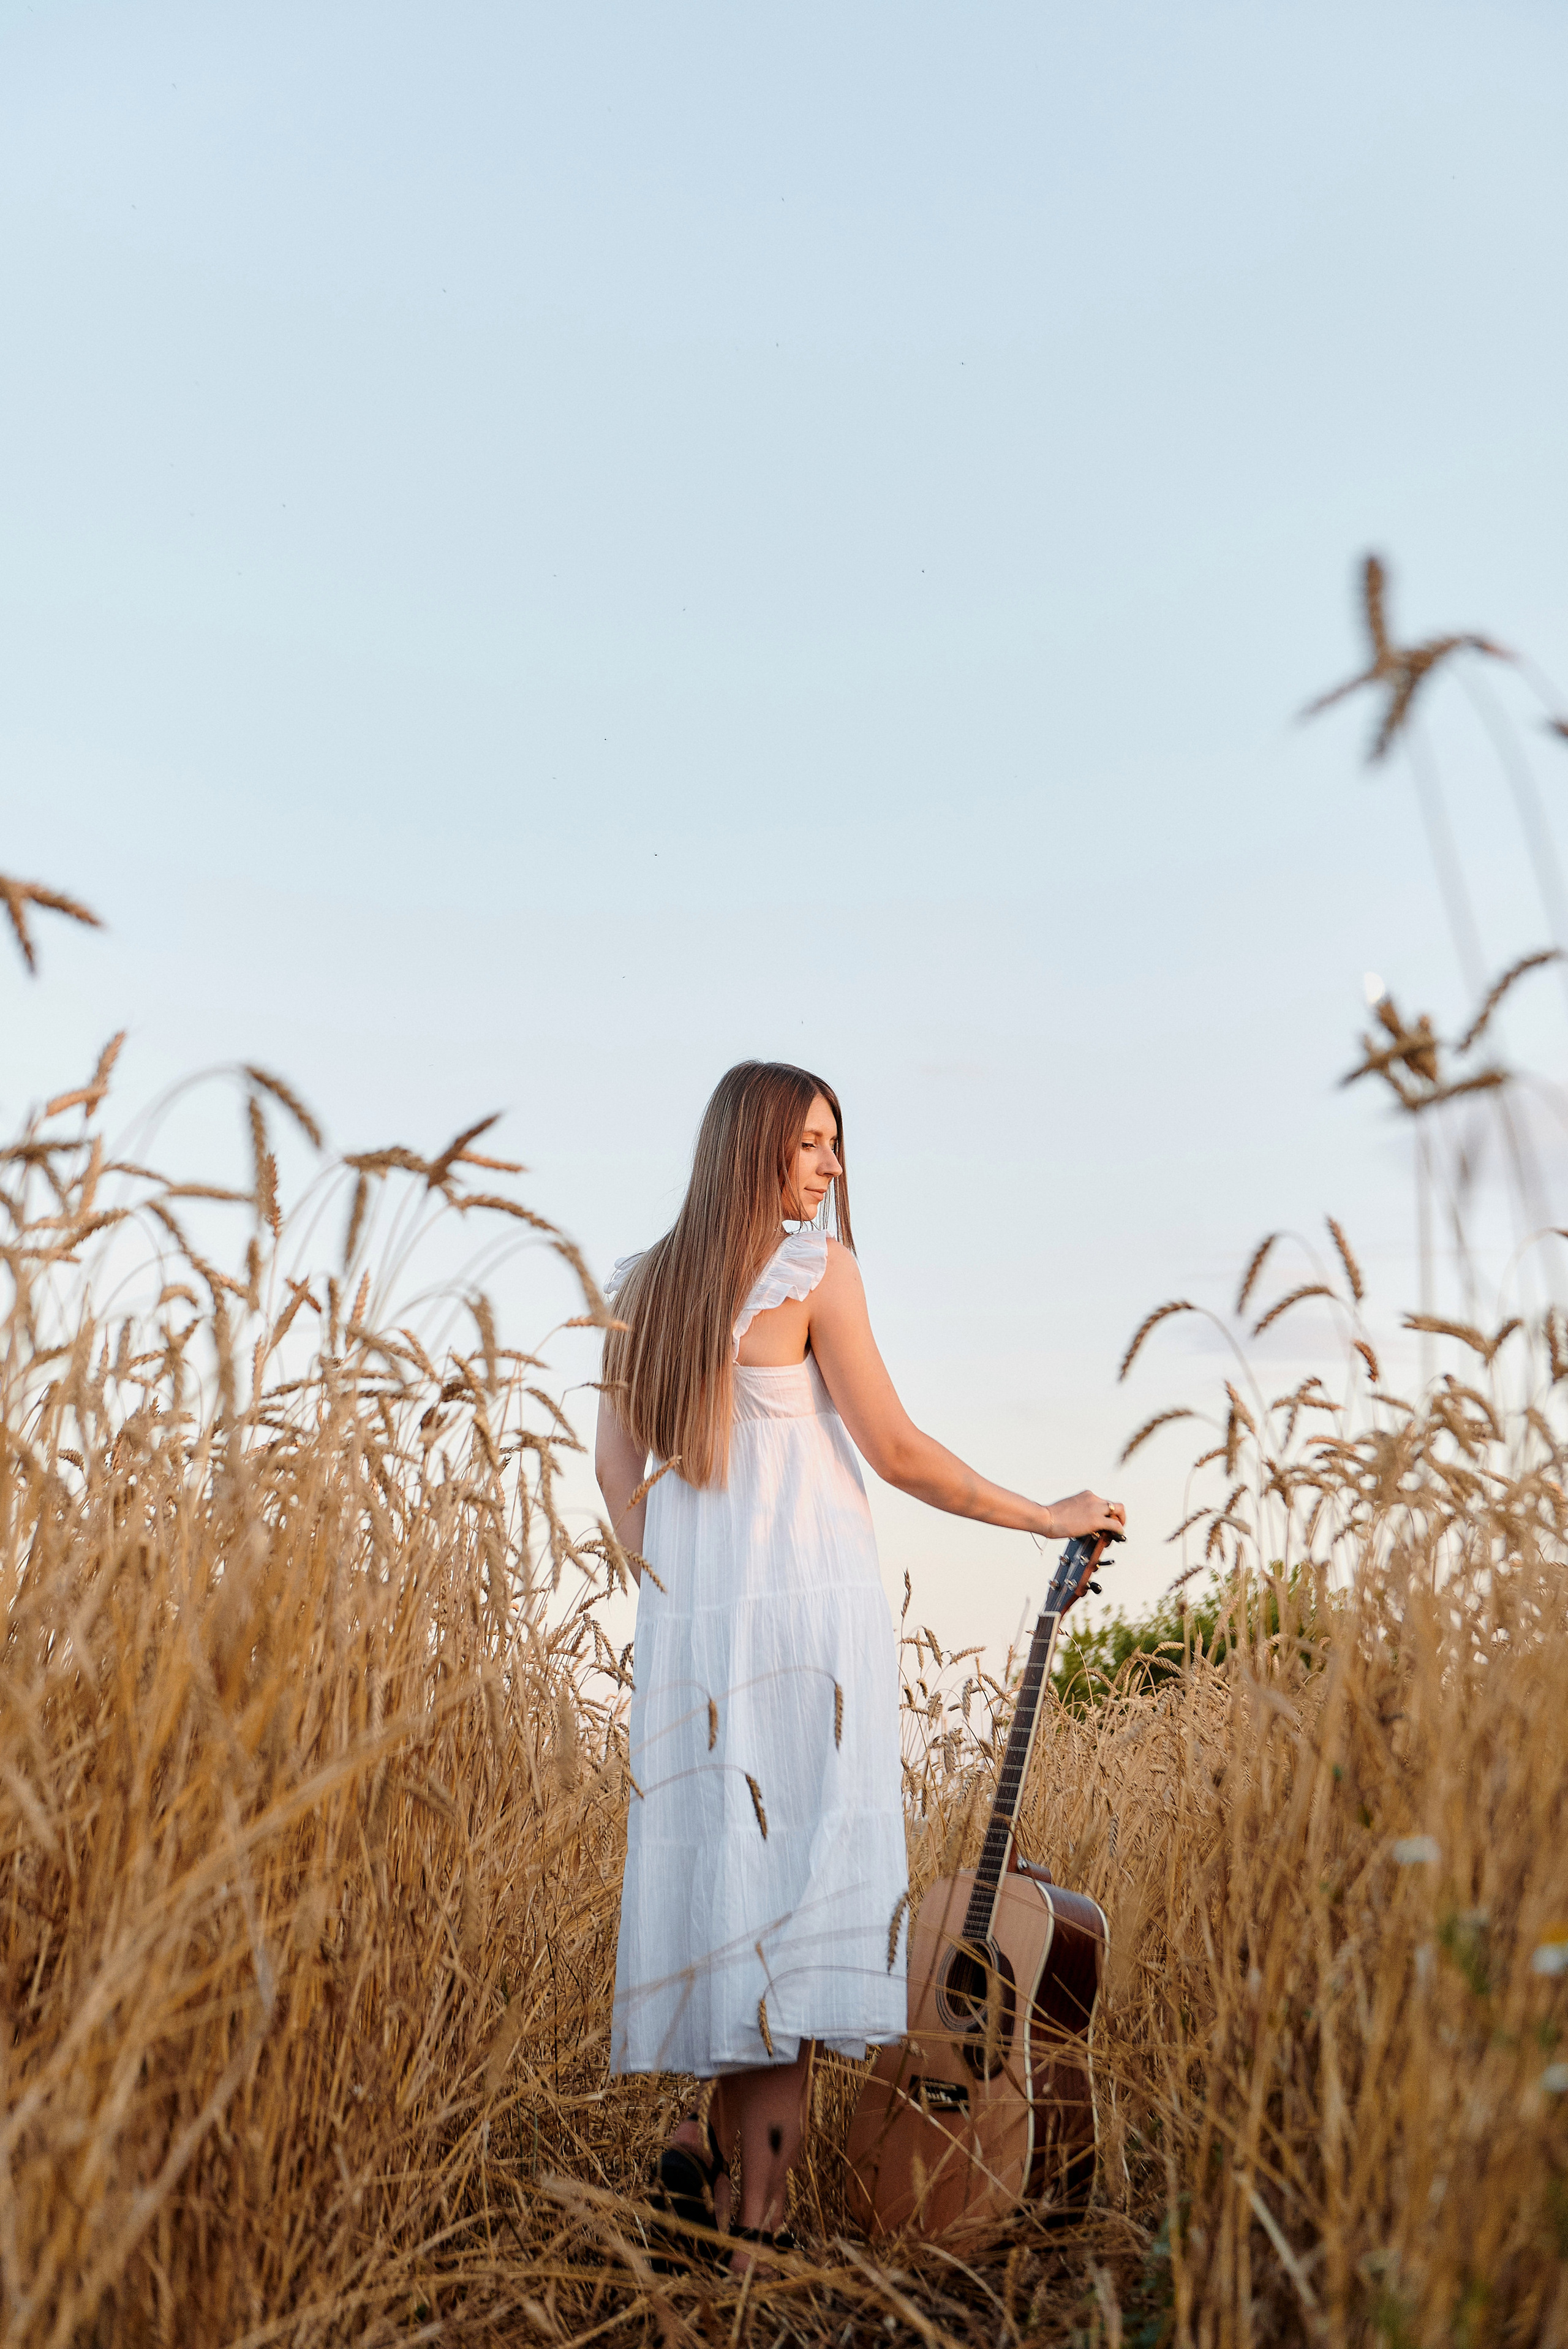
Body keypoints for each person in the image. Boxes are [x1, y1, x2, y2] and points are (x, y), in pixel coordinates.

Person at [594, 1061, 1125, 2267]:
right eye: (813, 1143)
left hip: (696, 1640)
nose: (831, 1167)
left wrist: (683, 1598)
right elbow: (893, 1450)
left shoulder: (637, 1289)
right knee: (794, 1910)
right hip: (805, 1626)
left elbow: (615, 1482)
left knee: (731, 1896)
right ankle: (758, 2237)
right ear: (756, 1147)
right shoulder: (813, 1272)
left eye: (836, 1145)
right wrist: (1044, 1516)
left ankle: (693, 2136)